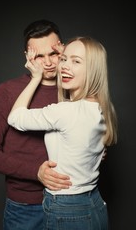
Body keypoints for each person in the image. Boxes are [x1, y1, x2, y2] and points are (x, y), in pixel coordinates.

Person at [7, 36, 118, 229]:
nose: (64, 66)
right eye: (64, 59)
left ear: (92, 69)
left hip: (67, 208)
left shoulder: (65, 112)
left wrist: (35, 78)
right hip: (94, 203)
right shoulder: (102, 108)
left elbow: (15, 117)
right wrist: (69, 54)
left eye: (76, 61)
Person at [0, 19, 72, 230]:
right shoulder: (8, 91)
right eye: (39, 56)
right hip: (26, 208)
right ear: (28, 57)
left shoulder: (75, 89)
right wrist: (36, 172)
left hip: (72, 203)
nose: (48, 62)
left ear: (62, 50)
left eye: (54, 53)